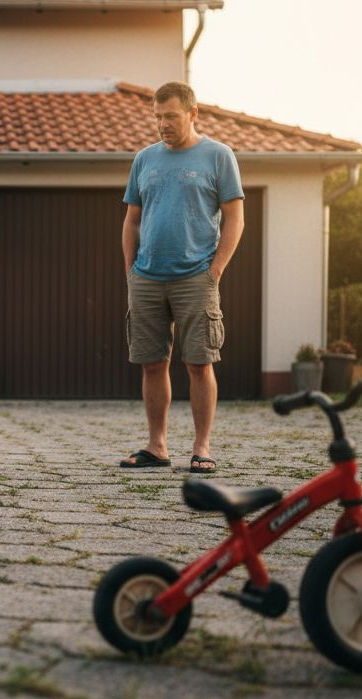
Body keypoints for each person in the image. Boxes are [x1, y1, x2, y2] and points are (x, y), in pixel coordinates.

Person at [119, 82, 244, 474]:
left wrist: (216, 271)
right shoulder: (144, 159)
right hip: (147, 277)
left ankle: (201, 448)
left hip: (196, 277)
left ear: (192, 114)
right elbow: (132, 219)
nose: (162, 124)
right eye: (157, 117)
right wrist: (131, 271)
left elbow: (235, 217)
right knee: (152, 363)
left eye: (170, 116)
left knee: (199, 363)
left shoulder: (218, 156)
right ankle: (157, 447)